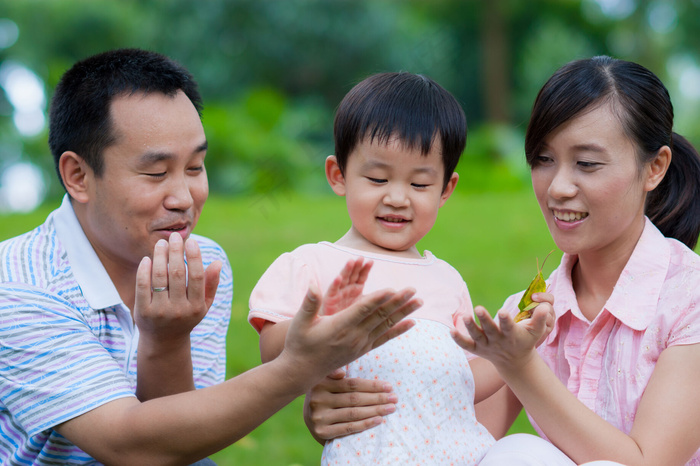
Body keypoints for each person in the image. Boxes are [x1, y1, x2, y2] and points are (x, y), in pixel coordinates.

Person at [0, 48, 421, 466]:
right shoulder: (17, 285)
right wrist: (297, 369)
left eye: (196, 167)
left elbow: (180, 446)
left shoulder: (199, 265)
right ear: (78, 175)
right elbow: (130, 447)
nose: (184, 199)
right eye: (156, 173)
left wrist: (168, 340)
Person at [307, 56, 700, 465]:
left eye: (587, 164)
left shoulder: (689, 300)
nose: (559, 188)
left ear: (654, 168)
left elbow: (648, 461)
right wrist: (339, 411)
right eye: (543, 160)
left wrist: (523, 365)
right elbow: (451, 443)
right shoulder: (527, 315)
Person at [247, 72, 551, 465]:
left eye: (420, 184)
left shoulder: (446, 281)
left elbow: (458, 385)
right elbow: (272, 359)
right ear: (338, 176)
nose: (396, 197)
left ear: (446, 189)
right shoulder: (312, 265)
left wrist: (515, 346)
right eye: (377, 178)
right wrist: (325, 322)